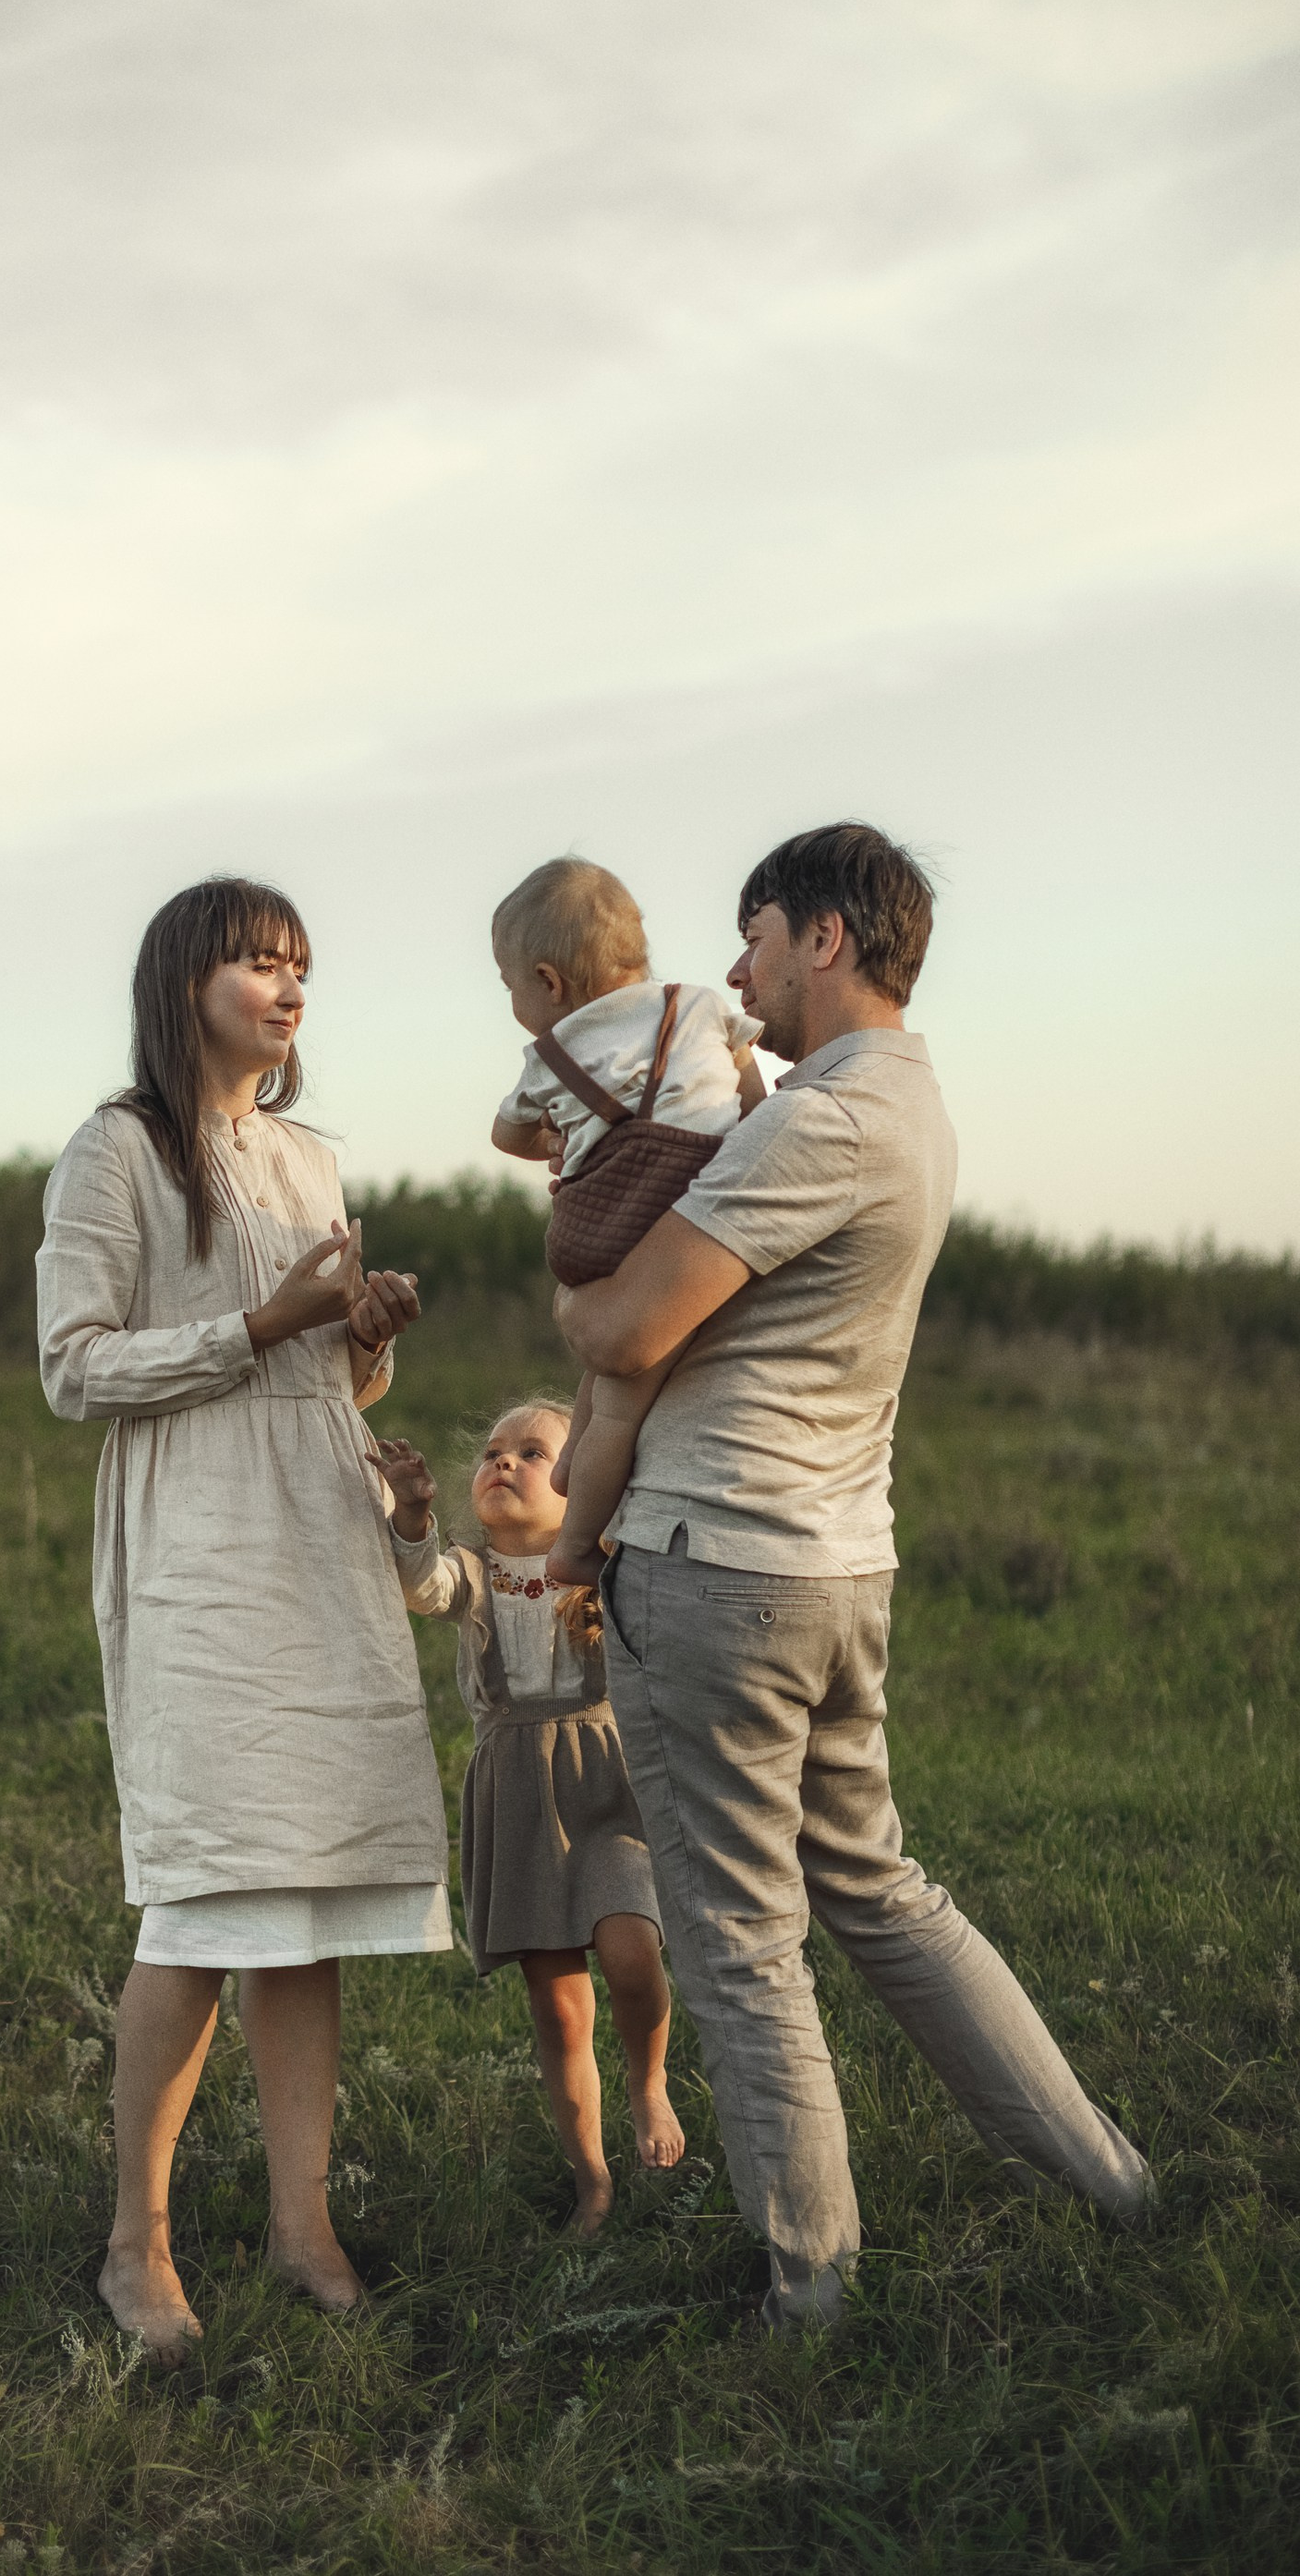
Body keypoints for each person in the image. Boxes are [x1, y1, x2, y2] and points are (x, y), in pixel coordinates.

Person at [556, 822, 1152, 2333]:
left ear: (826, 937)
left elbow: (625, 1330)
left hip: (716, 1567)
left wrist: (587, 1255)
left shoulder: (819, 1122)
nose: (738, 971)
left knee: (743, 1941)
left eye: (754, 935)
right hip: (835, 1563)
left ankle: (811, 2292)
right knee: (879, 1894)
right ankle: (1116, 2194)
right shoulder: (904, 1104)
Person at [36, 876, 450, 2363]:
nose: (286, 990)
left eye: (300, 969)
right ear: (183, 981)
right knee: (205, 1897)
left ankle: (300, 2223)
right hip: (199, 1546)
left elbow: (325, 1381)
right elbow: (76, 1368)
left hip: (318, 1528)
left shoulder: (308, 1158)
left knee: (308, 1895)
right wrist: (264, 1324)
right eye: (257, 964)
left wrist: (361, 1342)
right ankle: (133, 2244)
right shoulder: (119, 1149)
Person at [374, 1403, 684, 2234]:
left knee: (629, 1948)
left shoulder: (604, 1567)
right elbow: (418, 1583)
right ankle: (592, 2178)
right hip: (519, 1797)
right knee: (556, 2006)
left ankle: (648, 2081)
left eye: (533, 1452)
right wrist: (411, 1514)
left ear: (580, 1484)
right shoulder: (471, 1573)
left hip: (606, 1787)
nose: (504, 1463)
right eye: (492, 1453)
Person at [489, 857, 763, 1585]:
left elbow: (505, 1136)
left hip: (606, 1230)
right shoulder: (699, 1005)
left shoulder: (553, 1052)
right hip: (689, 1219)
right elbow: (752, 1097)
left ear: (549, 982)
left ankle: (573, 1538)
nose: (515, 1004)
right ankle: (581, 1501)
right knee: (622, 1393)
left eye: (511, 989)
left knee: (608, 1385)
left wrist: (559, 1139)